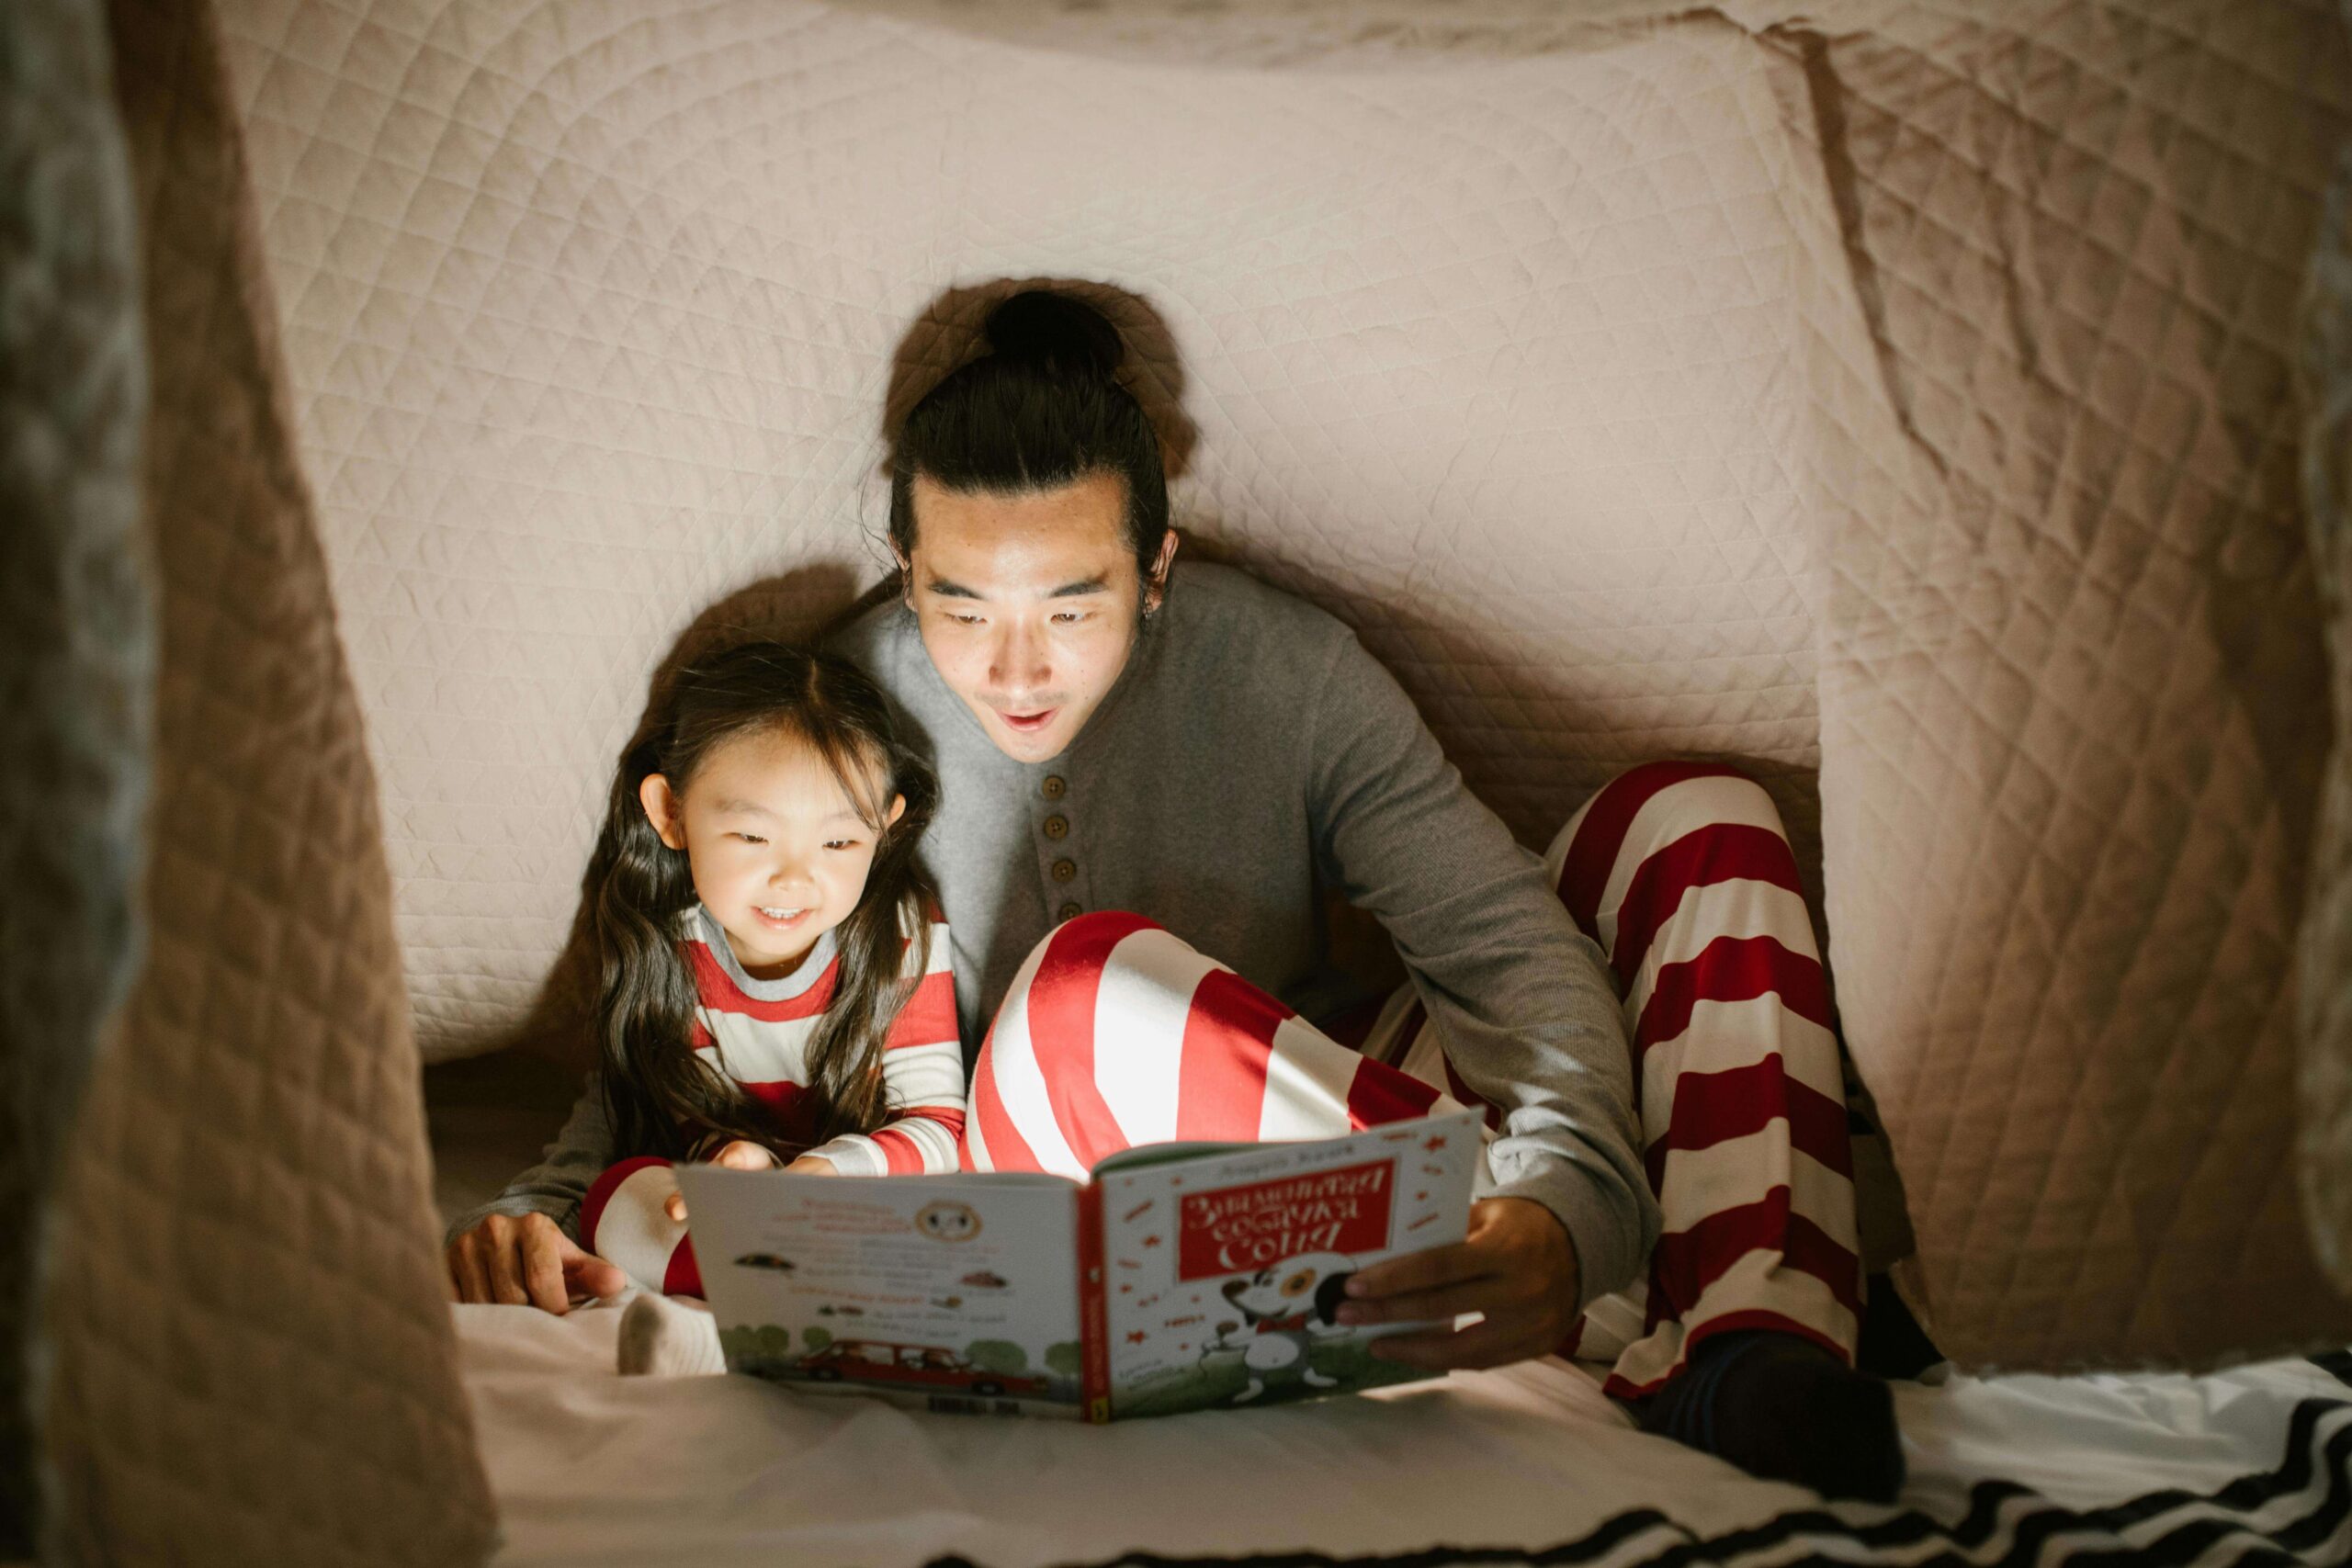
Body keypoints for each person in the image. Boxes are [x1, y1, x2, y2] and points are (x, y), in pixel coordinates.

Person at [449, 291, 1901, 1499]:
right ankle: (1625, 1301)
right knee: (1080, 990)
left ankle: (1753, 1343)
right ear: (907, 568)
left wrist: (1566, 1199)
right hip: (1053, 1179)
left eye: (1071, 604)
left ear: (1156, 569)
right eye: (960, 604)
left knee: (1699, 814)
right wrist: (547, 1200)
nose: (1015, 670)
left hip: (1322, 1108)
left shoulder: (1290, 670)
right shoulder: (845, 713)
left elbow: (1498, 945)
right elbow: (702, 996)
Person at [442, 642, 961, 1342]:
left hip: (862, 1208)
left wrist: (819, 1172)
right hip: (739, 1223)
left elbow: (939, 1127)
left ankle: (795, 1313)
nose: (794, 881)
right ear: (671, 814)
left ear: (886, 825)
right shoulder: (668, 951)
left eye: (838, 845)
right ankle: (728, 1328)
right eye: (752, 835)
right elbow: (676, 1120)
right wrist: (734, 1159)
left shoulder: (900, 931)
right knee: (622, 1192)